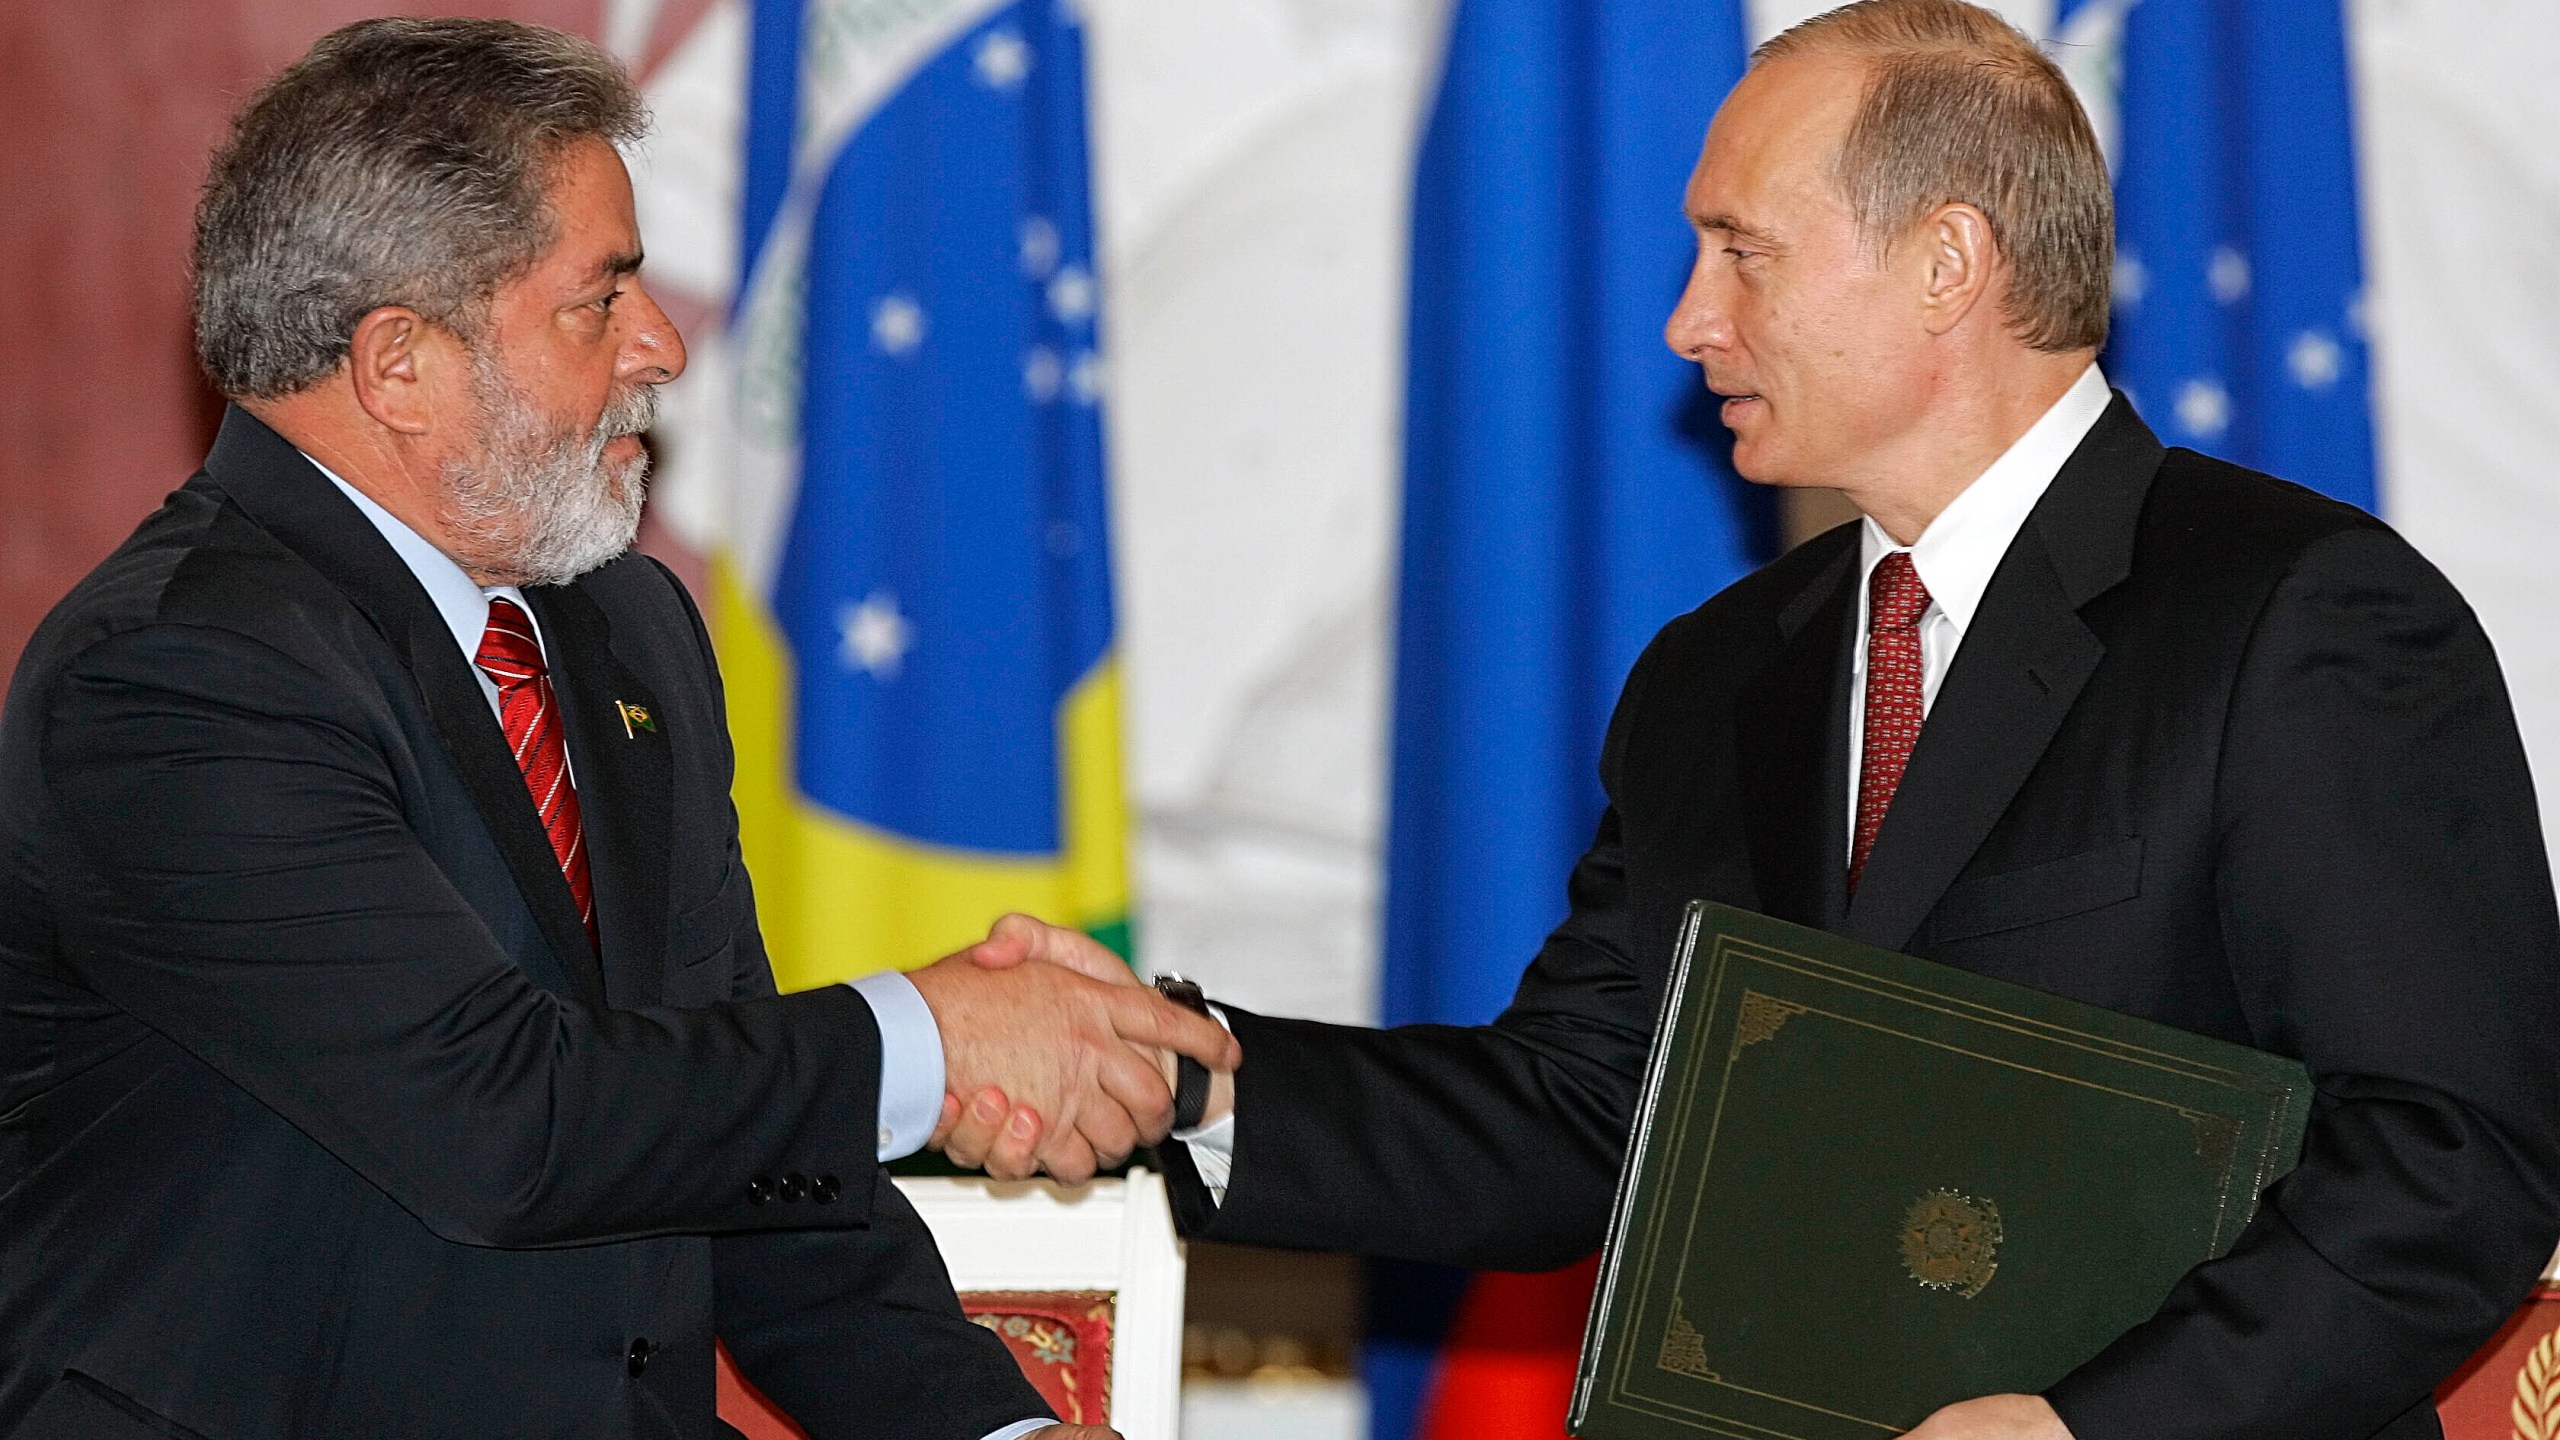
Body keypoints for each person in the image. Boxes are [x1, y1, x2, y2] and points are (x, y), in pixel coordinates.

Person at [947, 2, 2560, 1436]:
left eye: (1742, 251)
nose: (1685, 321)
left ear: (1946, 262)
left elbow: (2450, 1159)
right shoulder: (1718, 676)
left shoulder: (2302, 613)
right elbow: (1583, 1110)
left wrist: (2084, 1431)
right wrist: (1203, 1079)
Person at [0, 18, 1234, 1439]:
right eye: (602, 300)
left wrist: (994, 1430)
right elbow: (503, 1120)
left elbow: (748, 1149)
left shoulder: (622, 629)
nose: (662, 349)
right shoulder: (173, 675)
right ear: (400, 364)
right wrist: (931, 1038)